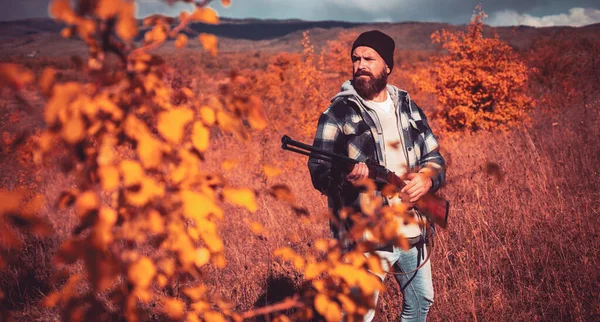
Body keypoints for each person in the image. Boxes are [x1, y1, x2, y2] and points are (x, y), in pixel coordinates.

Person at [307, 30, 446, 322]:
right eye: (356, 59)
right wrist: (346, 179)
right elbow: (319, 171)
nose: (360, 65)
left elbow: (433, 156)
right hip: (367, 235)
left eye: (369, 58)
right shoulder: (337, 113)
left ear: (387, 66)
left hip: (412, 229)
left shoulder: (407, 107)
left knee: (421, 302)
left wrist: (428, 179)